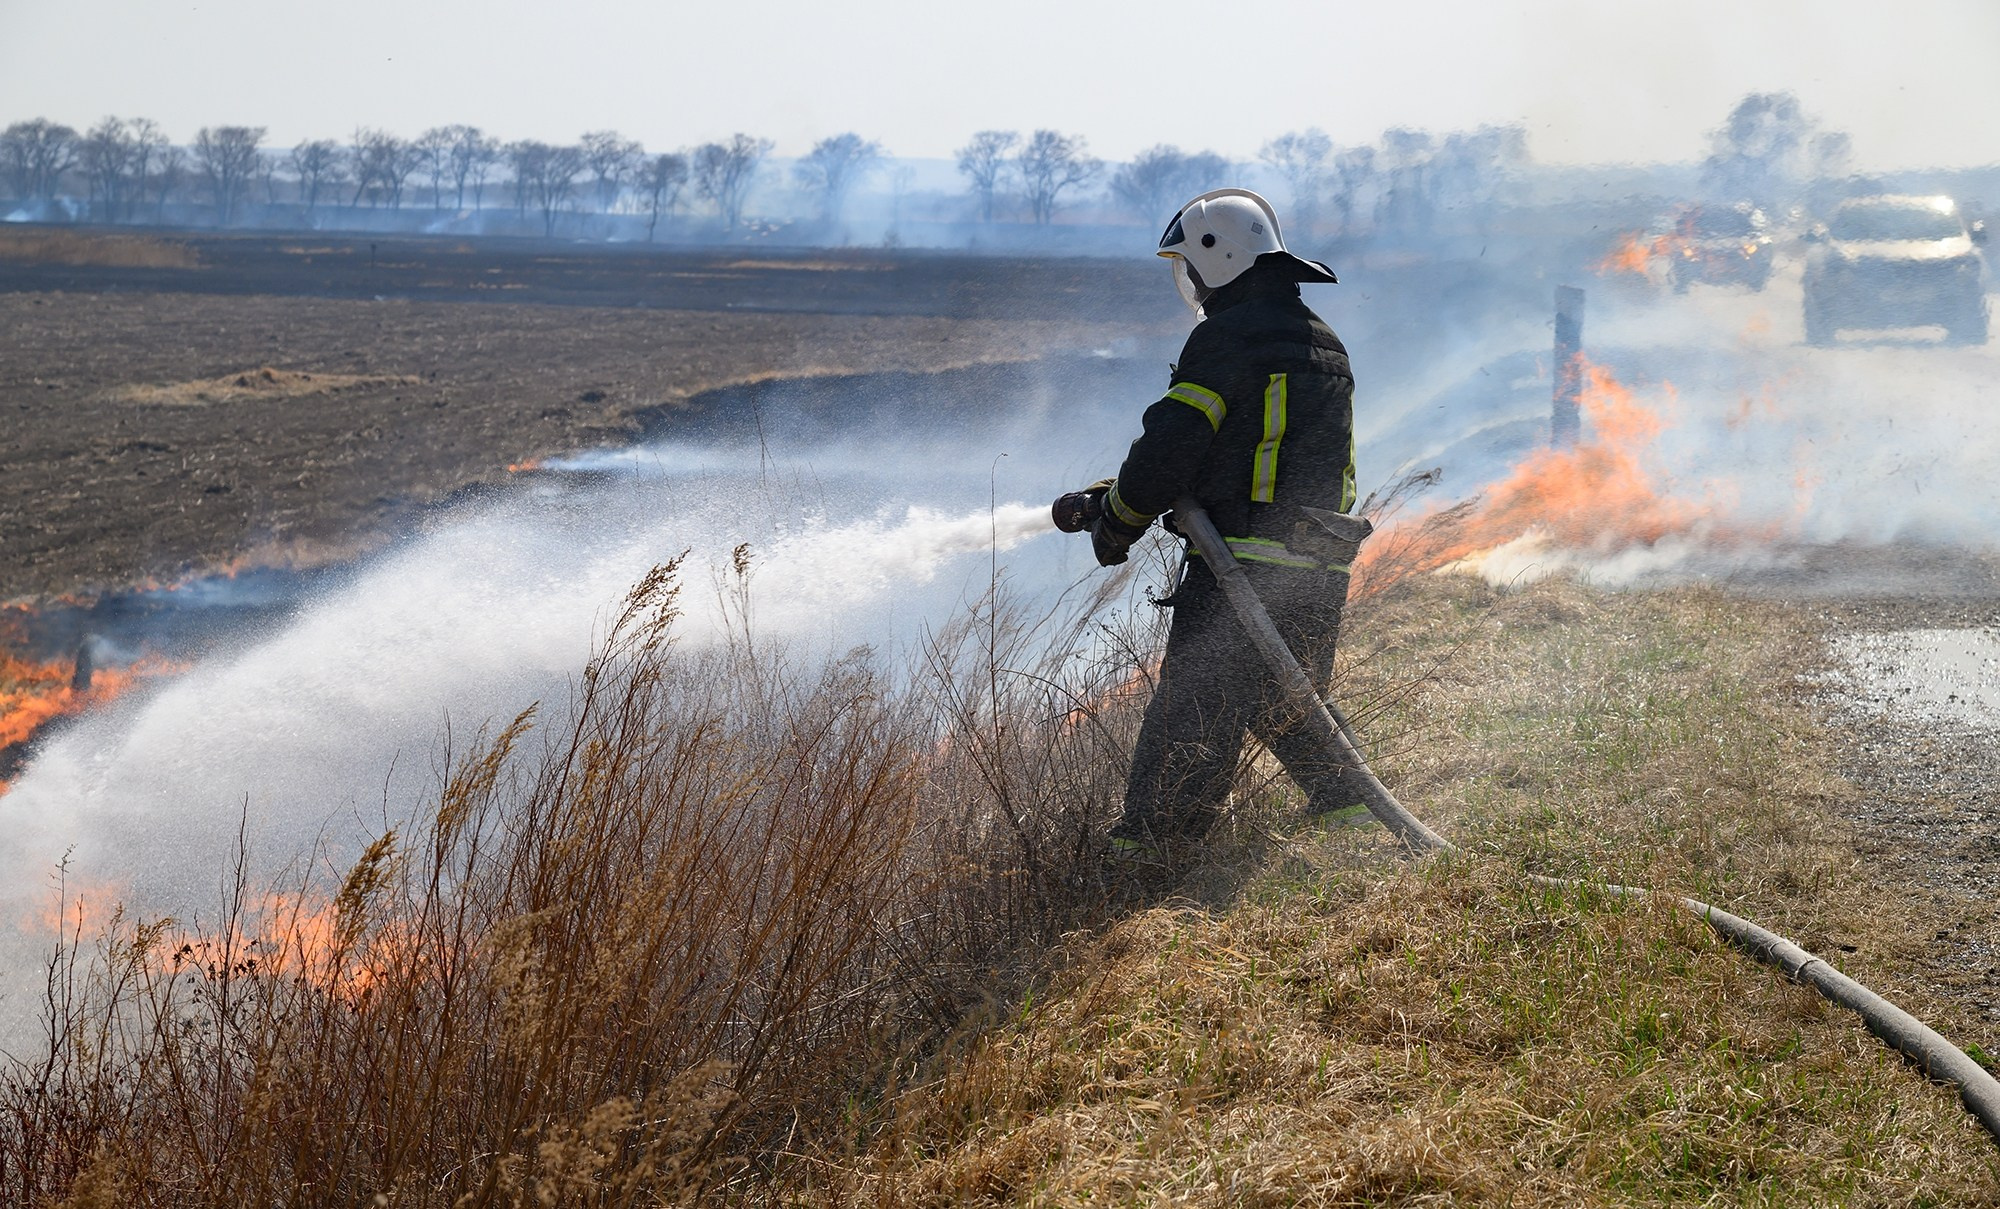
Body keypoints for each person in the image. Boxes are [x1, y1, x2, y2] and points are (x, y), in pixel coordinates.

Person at [1059, 188, 1368, 871]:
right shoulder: (1322, 341)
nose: (1191, 284)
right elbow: (1245, 450)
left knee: (1191, 712)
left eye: (1192, 268)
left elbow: (1171, 445)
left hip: (1246, 564)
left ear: (1220, 260)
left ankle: (1145, 860)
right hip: (1320, 564)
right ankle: (1358, 816)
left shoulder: (1228, 338)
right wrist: (1118, 496)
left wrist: (1117, 522)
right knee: (1286, 700)